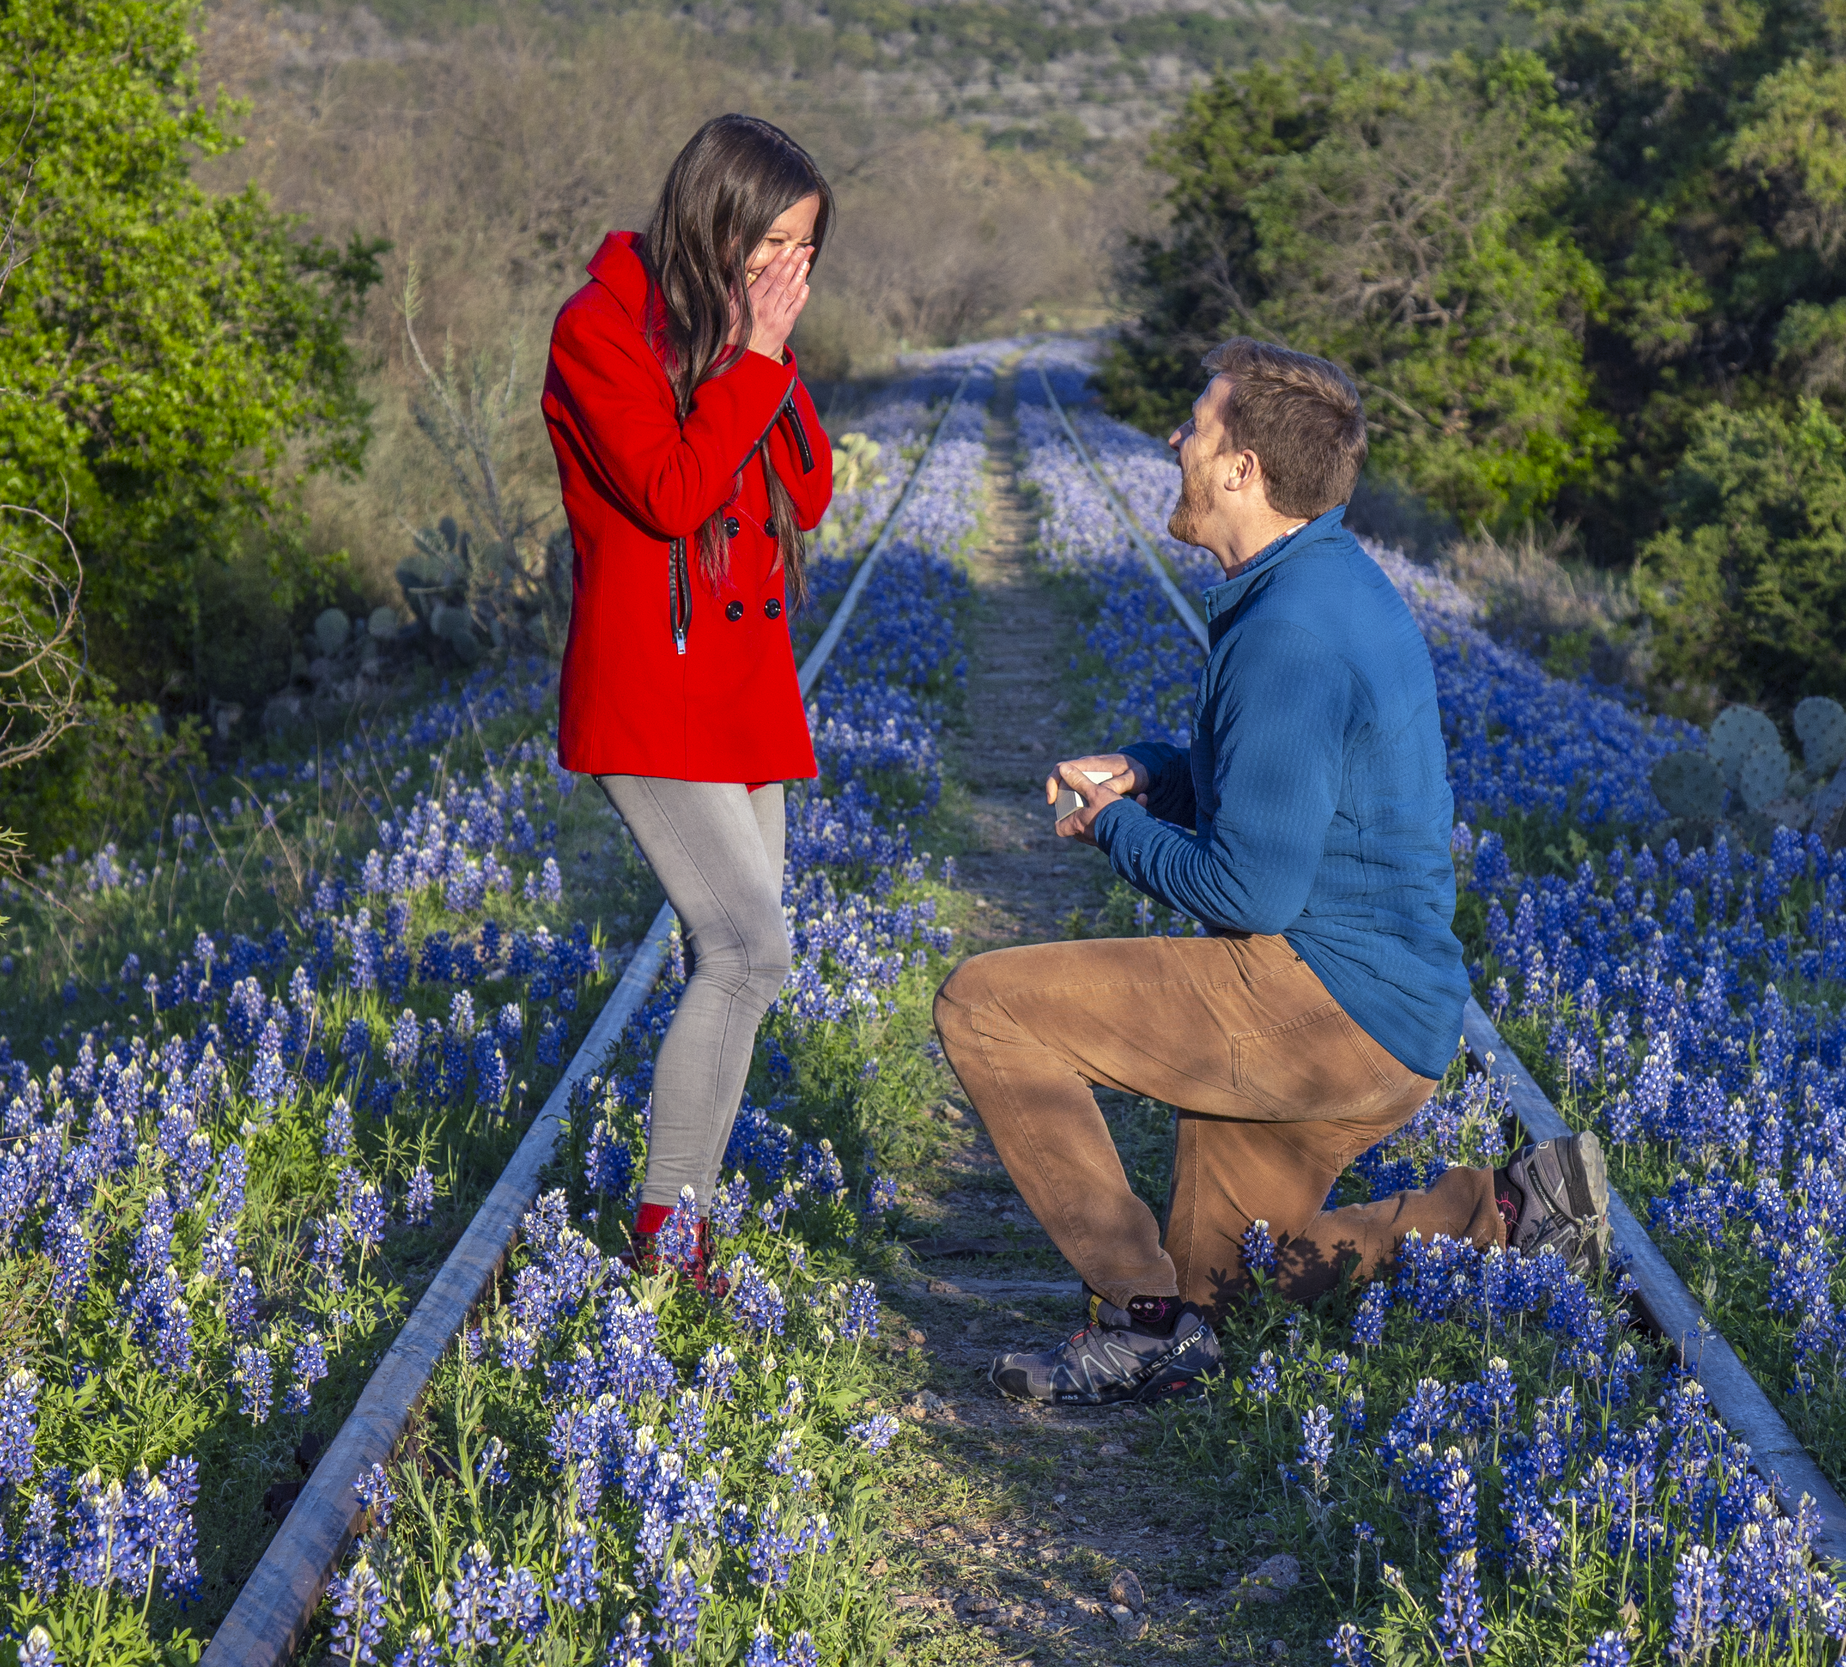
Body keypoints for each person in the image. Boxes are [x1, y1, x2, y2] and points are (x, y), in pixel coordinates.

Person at [932, 338, 1611, 1406]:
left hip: (1319, 1006)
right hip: (1383, 1010)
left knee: (987, 1004)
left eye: (1194, 426)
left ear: (1242, 468)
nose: (1173, 440)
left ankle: (1135, 1315)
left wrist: (1112, 825)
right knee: (1228, 1285)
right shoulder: (1316, 578)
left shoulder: (1289, 629)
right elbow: (1275, 778)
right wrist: (1155, 771)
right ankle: (1505, 1216)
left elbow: (1249, 891)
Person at [542, 114, 837, 1287]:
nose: (786, 269)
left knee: (749, 964)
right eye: (772, 240)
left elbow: (804, 493)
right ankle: (667, 1233)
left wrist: (768, 352)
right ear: (713, 217)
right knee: (747, 946)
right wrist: (752, 359)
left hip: (742, 691)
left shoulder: (738, 338)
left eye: (806, 251)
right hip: (651, 687)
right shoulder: (598, 328)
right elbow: (669, 494)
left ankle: (686, 1225)